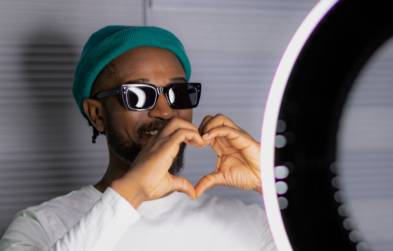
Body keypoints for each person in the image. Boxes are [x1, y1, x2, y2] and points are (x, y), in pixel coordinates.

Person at [0, 26, 277, 251]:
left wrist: (269, 182)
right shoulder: (39, 227)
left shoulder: (253, 224)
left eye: (177, 92)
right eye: (138, 95)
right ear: (96, 114)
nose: (165, 110)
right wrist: (132, 192)